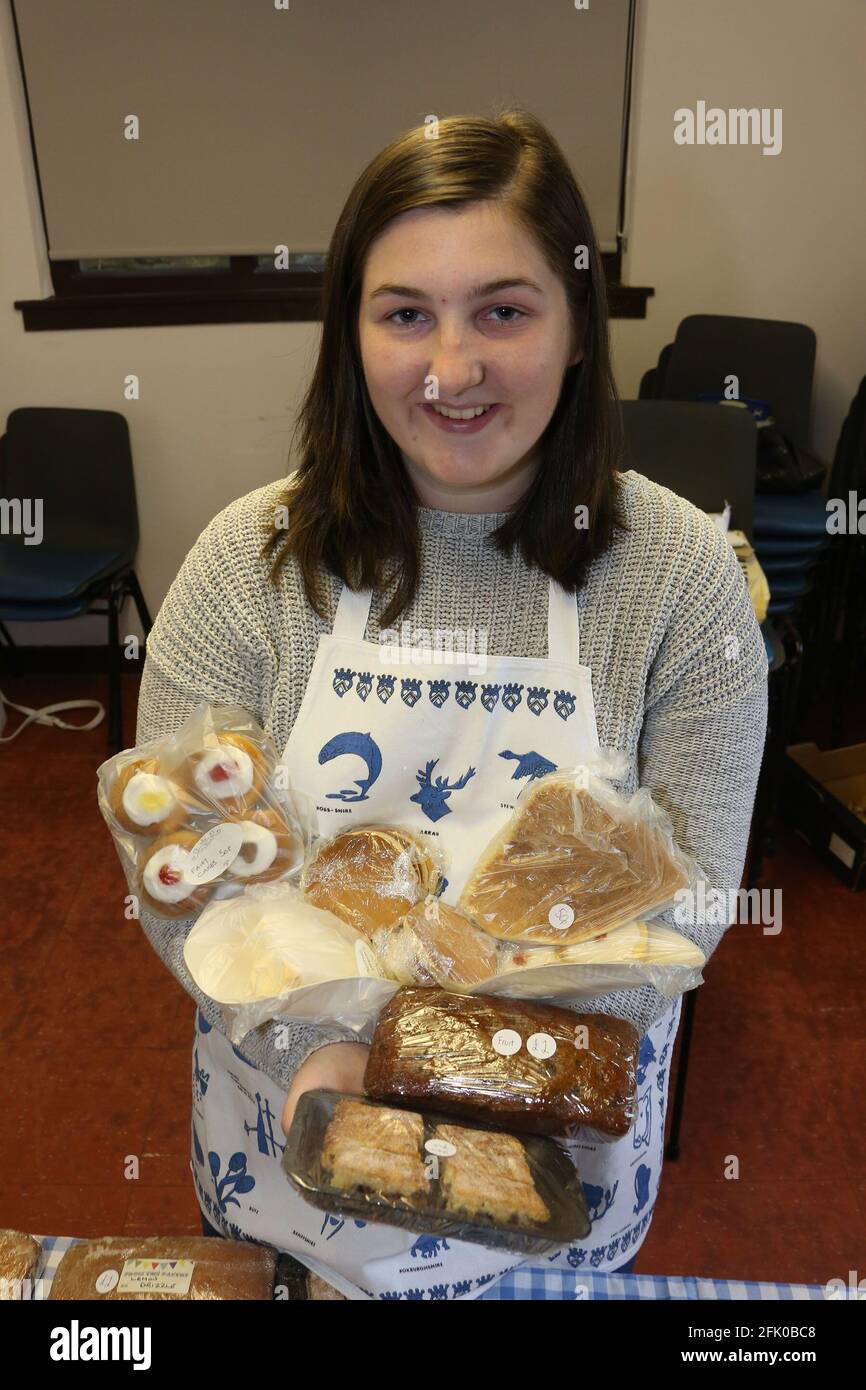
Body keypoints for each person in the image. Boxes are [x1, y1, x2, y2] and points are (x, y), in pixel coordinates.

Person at [134, 109, 768, 1300]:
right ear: (350, 333)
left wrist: (471, 1071)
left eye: (503, 310)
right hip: (289, 1139)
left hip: (550, 1161)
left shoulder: (676, 575)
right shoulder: (246, 560)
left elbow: (687, 899)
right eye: (404, 313)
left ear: (578, 328)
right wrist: (319, 1052)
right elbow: (188, 862)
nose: (451, 368)